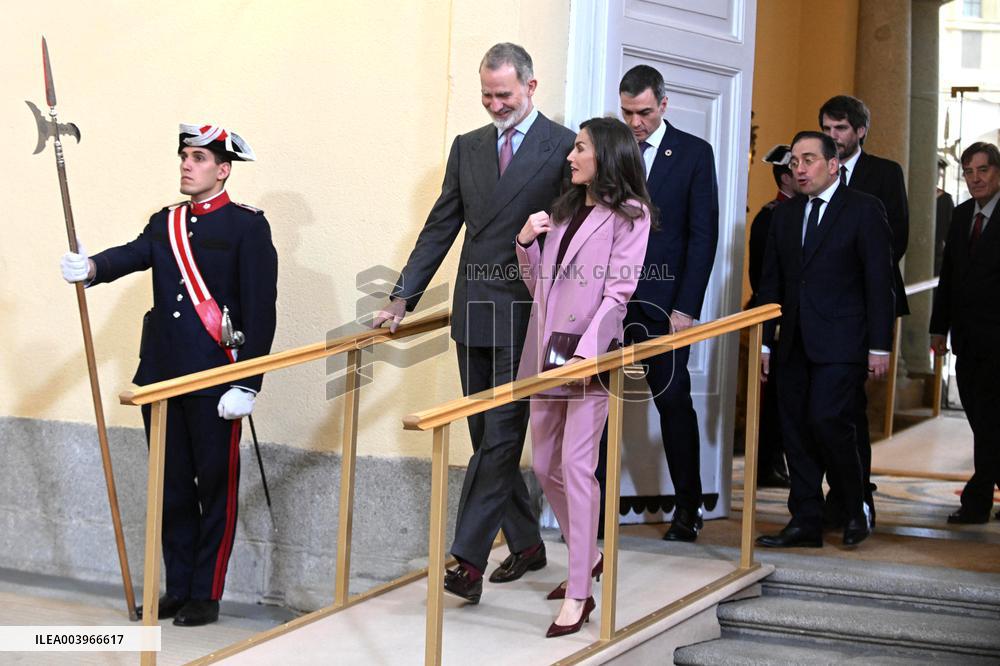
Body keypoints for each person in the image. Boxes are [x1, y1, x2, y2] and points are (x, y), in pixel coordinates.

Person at [371, 43, 576, 604]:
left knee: (503, 433)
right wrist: (402, 297)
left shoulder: (564, 146)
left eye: (503, 94)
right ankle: (527, 543)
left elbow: (573, 238)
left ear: (530, 87)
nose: (494, 104)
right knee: (485, 435)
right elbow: (441, 226)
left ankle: (466, 560)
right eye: (486, 95)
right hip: (473, 310)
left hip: (526, 314)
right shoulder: (468, 146)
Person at [59, 124, 278, 626]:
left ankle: (206, 593)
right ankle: (177, 588)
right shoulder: (166, 222)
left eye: (199, 158)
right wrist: (91, 267)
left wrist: (248, 383)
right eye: (184, 155)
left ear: (223, 170)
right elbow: (135, 254)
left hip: (215, 379)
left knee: (215, 489)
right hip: (162, 375)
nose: (186, 164)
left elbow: (260, 312)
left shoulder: (247, 227)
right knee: (171, 487)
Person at [515, 117, 651, 637]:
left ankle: (579, 593)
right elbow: (542, 290)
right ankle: (587, 555)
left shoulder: (631, 214)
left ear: (606, 155)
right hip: (545, 351)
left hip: (589, 357)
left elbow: (618, 294)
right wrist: (526, 244)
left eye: (580, 148)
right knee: (544, 463)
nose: (570, 157)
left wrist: (587, 356)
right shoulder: (564, 209)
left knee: (576, 466)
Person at [597, 64, 718, 542]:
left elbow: (702, 237)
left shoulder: (693, 153)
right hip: (608, 302)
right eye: (627, 112)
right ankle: (595, 512)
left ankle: (688, 509)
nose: (635, 123)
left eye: (644, 112)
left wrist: (686, 307)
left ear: (663, 104)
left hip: (664, 307)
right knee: (597, 407)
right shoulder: (611, 151)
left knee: (672, 402)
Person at [756, 131, 894, 549]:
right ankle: (805, 520)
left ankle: (855, 505)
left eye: (809, 160)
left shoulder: (864, 209)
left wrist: (880, 346)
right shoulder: (784, 215)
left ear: (833, 165)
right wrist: (765, 343)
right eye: (795, 161)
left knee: (827, 420)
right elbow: (771, 284)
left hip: (843, 342)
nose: (799, 168)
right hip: (793, 343)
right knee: (795, 431)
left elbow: (879, 282)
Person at [819, 94, 908, 529]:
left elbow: (897, 238)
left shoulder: (885, 174)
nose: (832, 136)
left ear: (860, 131)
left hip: (864, 306)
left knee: (850, 409)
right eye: (827, 128)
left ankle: (856, 497)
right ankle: (839, 498)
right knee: (828, 410)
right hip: (822, 309)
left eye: (840, 128)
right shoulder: (816, 168)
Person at [930, 141, 1000, 525]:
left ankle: (977, 500)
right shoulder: (960, 216)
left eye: (983, 170)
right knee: (981, 420)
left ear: (998, 172)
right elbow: (949, 277)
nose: (975, 179)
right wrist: (937, 328)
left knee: (990, 421)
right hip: (968, 340)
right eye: (969, 172)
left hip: (998, 340)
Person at [746, 144, 796, 488]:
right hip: (776, 318)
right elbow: (763, 276)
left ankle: (780, 460)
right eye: (796, 168)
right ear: (784, 177)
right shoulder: (771, 215)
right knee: (772, 398)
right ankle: (768, 462)